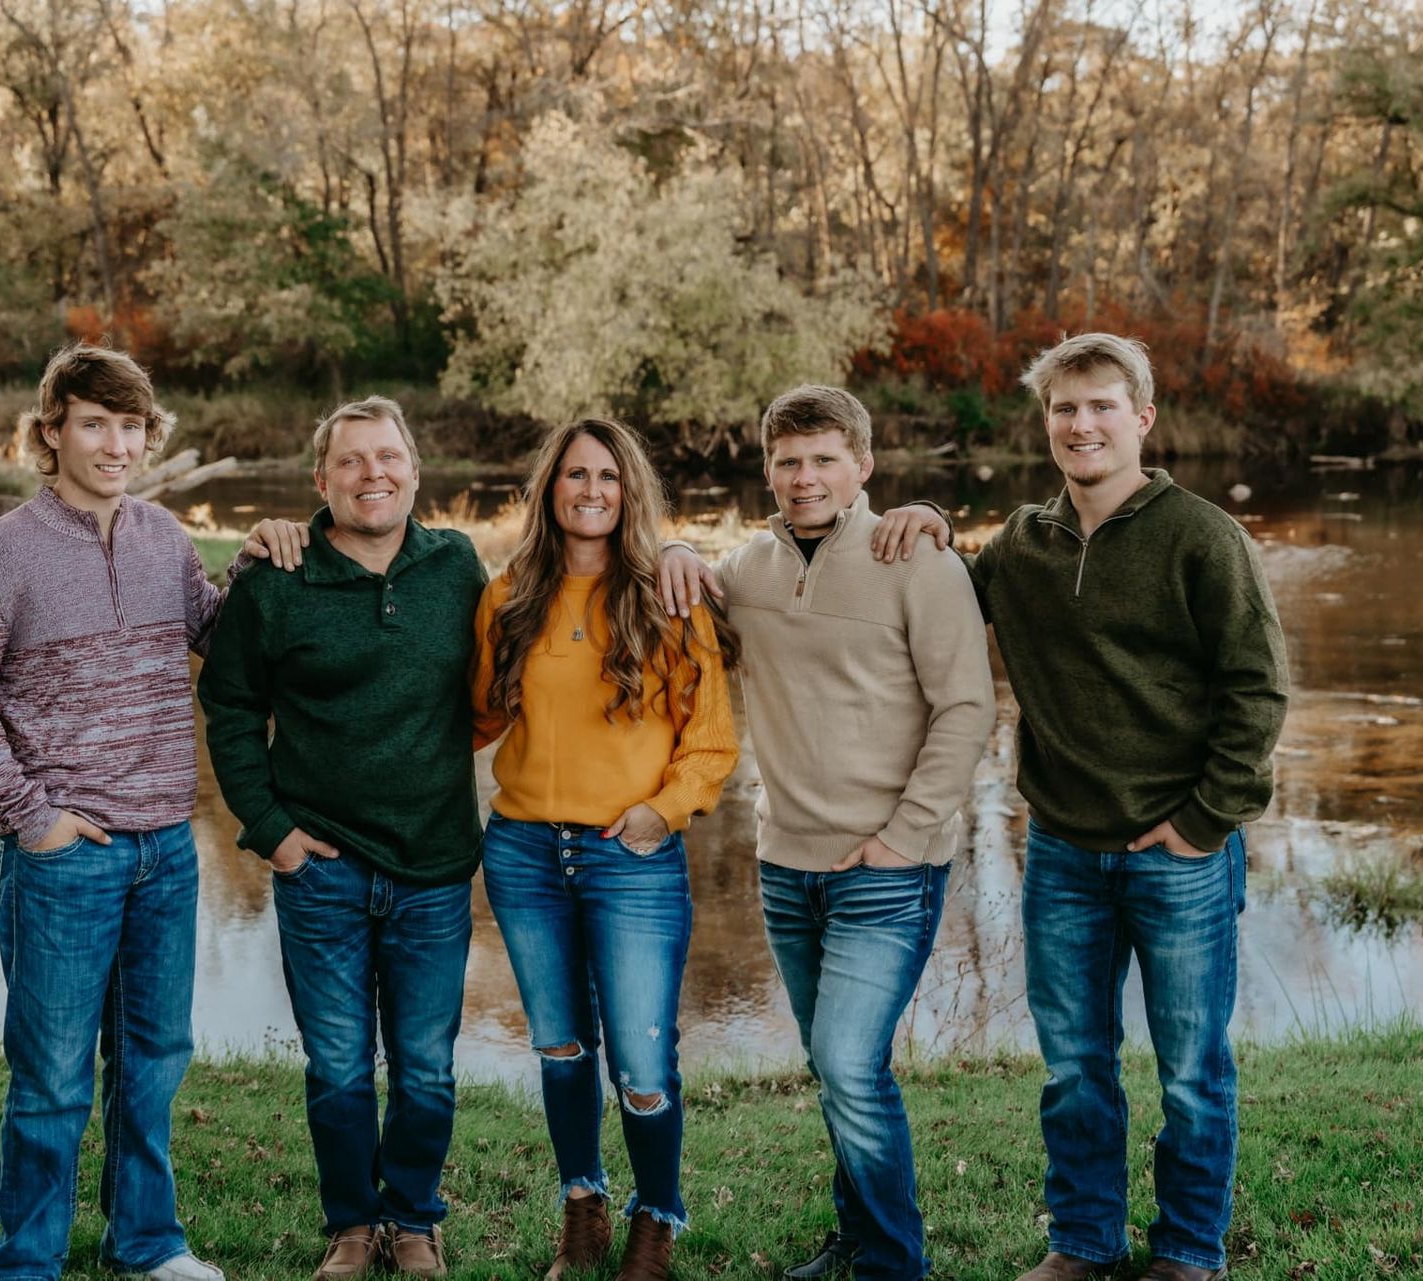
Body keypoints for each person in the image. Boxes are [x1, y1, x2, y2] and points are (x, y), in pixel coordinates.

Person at [894, 335, 1289, 1281]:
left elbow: (1258, 689)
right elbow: (945, 601)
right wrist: (929, 519)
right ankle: (1082, 1244)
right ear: (1048, 425)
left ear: (1142, 417)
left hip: (1179, 853)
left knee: (1192, 1072)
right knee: (1076, 1068)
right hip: (1065, 852)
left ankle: (1190, 1251)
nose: (1083, 424)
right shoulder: (1024, 546)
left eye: (1103, 405)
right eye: (1065, 410)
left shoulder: (1201, 535)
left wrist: (1205, 821)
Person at [659, 386, 995, 1281]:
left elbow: (966, 709)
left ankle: (891, 1262)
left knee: (849, 1062)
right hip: (785, 863)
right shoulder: (746, 573)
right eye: (788, 461)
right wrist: (679, 544)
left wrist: (906, 833)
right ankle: (856, 1234)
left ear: (862, 466)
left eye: (823, 460)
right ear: (766, 468)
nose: (804, 478)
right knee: (833, 1063)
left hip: (889, 862)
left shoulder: (919, 562)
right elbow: (682, 586)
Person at [0, 343, 248, 1281]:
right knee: (54, 1074)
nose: (116, 443)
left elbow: (218, 643)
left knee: (153, 1060)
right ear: (52, 431)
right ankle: (26, 1259)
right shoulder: (2, 553)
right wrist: (30, 816)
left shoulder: (164, 538)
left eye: (132, 426)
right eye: (96, 423)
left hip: (166, 847)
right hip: (64, 854)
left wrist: (269, 564)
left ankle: (146, 1240)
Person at [196, 396, 487, 1281]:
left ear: (415, 469)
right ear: (321, 480)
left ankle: (415, 1220)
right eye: (353, 461)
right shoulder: (274, 578)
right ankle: (353, 1226)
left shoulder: (457, 565)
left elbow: (529, 643)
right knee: (337, 1070)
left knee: (428, 1071)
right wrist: (272, 830)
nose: (374, 474)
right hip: (318, 868)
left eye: (388, 456)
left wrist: (668, 550)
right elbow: (232, 708)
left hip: (434, 865)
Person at [470, 417, 740, 1281]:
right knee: (558, 1045)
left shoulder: (669, 593)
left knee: (642, 1062)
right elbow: (476, 715)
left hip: (631, 857)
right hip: (522, 853)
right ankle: (581, 1204)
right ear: (549, 489)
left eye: (609, 477)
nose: (591, 490)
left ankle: (655, 1221)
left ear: (630, 493)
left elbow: (711, 741)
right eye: (575, 475)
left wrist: (663, 812)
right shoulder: (508, 593)